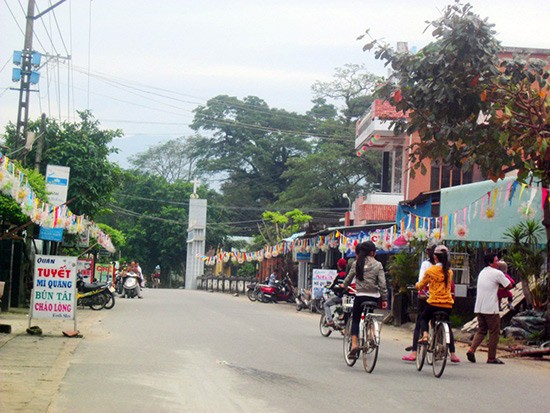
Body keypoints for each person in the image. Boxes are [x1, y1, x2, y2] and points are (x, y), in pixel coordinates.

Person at [415, 245, 461, 363]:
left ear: (435, 257)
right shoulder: (449, 272)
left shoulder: (431, 271)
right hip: (447, 305)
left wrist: (417, 286)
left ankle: (425, 335)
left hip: (433, 303)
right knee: (447, 323)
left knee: (423, 318)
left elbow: (422, 284)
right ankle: (451, 350)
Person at [342, 241, 388, 357]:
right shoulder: (378, 265)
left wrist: (344, 286)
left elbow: (348, 280)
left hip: (360, 296)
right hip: (374, 297)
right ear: (372, 252)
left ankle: (354, 345)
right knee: (370, 314)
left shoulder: (356, 263)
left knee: (356, 319)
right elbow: (382, 284)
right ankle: (371, 334)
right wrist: (385, 299)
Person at [466, 253, 512, 364]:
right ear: (490, 263)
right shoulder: (497, 273)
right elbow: (509, 285)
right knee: (494, 332)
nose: (498, 263)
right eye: (496, 261)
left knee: (481, 330)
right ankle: (491, 357)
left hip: (479, 306)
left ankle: (471, 349)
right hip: (491, 307)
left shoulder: (482, 272)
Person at [402, 245, 436, 361]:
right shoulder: (447, 268)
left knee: (420, 321)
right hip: (442, 299)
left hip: (426, 296)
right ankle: (450, 351)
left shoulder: (426, 265)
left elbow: (421, 280)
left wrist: (418, 286)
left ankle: (414, 352)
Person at [324, 258, 348, 327]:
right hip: (348, 297)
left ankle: (330, 321)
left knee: (326, 304)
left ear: (339, 265)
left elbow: (332, 285)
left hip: (340, 297)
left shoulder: (339, 275)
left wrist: (327, 287)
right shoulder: (348, 275)